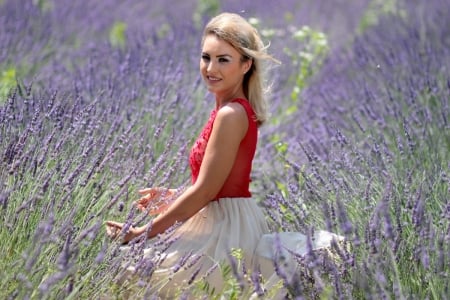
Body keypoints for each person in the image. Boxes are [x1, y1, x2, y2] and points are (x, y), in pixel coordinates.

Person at [106, 12, 343, 299]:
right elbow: (218, 185)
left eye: (223, 59)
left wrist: (142, 232)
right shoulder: (227, 109)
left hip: (226, 232)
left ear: (246, 64)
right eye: (206, 57)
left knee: (134, 273)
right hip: (223, 219)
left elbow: (206, 191)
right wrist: (172, 196)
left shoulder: (231, 114)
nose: (210, 68)